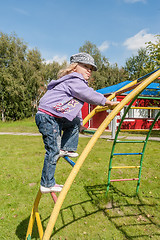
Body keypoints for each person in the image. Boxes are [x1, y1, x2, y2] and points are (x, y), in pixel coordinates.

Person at [35, 52, 118, 193]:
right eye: (85, 66)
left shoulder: (76, 84)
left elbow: (75, 108)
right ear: (74, 68)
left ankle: (66, 148)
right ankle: (47, 183)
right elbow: (89, 94)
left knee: (74, 122)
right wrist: (107, 101)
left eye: (91, 68)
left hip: (57, 116)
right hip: (48, 117)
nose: (89, 70)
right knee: (53, 150)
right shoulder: (75, 80)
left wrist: (79, 124)